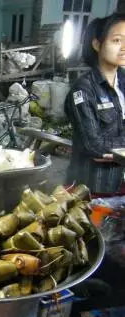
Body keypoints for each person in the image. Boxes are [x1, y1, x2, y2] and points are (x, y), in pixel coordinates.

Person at [64, 13, 125, 195]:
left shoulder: (123, 83)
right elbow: (93, 145)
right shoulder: (83, 90)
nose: (123, 48)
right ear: (97, 44)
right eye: (116, 40)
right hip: (93, 188)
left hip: (121, 184)